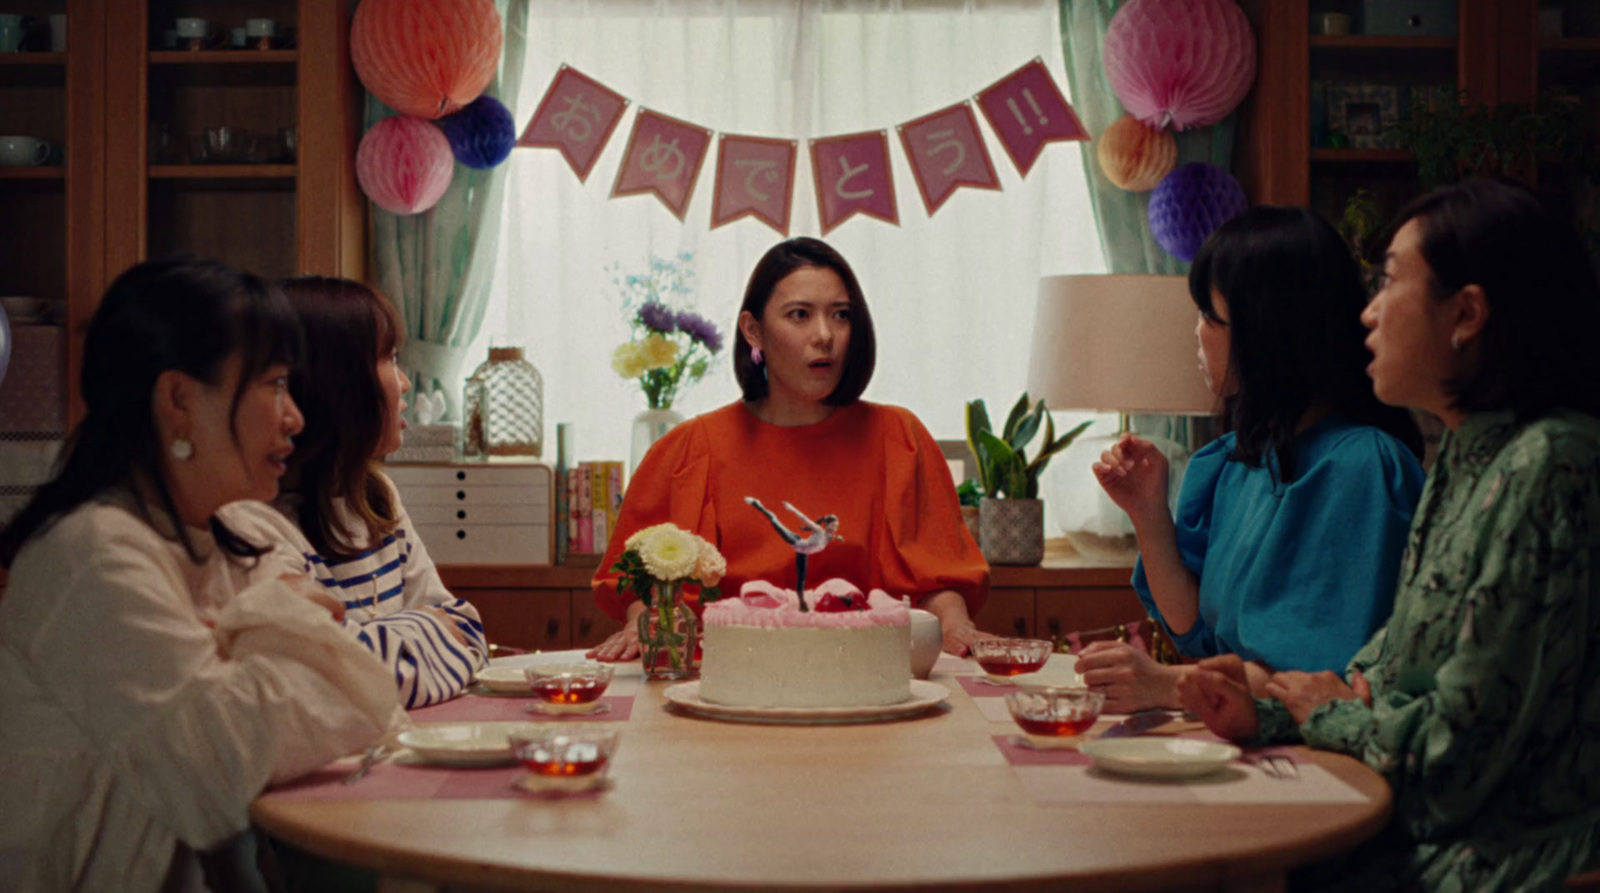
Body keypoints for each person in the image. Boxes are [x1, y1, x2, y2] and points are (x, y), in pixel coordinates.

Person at [1179, 179, 1600, 891]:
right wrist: (1273, 708)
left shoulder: (1550, 464)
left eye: (1391, 281)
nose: (1367, 313)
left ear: (1466, 313)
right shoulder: (1465, 460)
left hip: (1501, 860)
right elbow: (1373, 681)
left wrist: (1322, 709)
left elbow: (1453, 761)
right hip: (1414, 833)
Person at [0, 258, 400, 893]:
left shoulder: (235, 538)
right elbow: (219, 768)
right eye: (273, 385)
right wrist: (276, 618)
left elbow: (357, 700)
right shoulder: (91, 555)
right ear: (180, 401)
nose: (294, 416)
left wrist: (245, 642)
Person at [1083, 206, 1426, 713]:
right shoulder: (1229, 461)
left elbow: (1321, 679)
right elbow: (1193, 630)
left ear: (1265, 332)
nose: (1195, 333)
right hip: (1239, 731)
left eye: (1208, 315)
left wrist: (1169, 686)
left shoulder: (1362, 468)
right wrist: (1148, 514)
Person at [589, 237, 992, 659]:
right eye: (799, 315)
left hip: (869, 682)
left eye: (840, 315)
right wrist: (643, 623)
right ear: (753, 331)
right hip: (725, 687)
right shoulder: (686, 451)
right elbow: (637, 588)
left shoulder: (901, 439)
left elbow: (937, 582)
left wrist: (957, 627)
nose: (824, 336)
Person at [226, 275, 488, 709]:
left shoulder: (373, 494)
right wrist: (424, 629)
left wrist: (376, 644)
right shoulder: (255, 520)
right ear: (336, 384)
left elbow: (469, 627)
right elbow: (333, 680)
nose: (405, 383)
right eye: (389, 358)